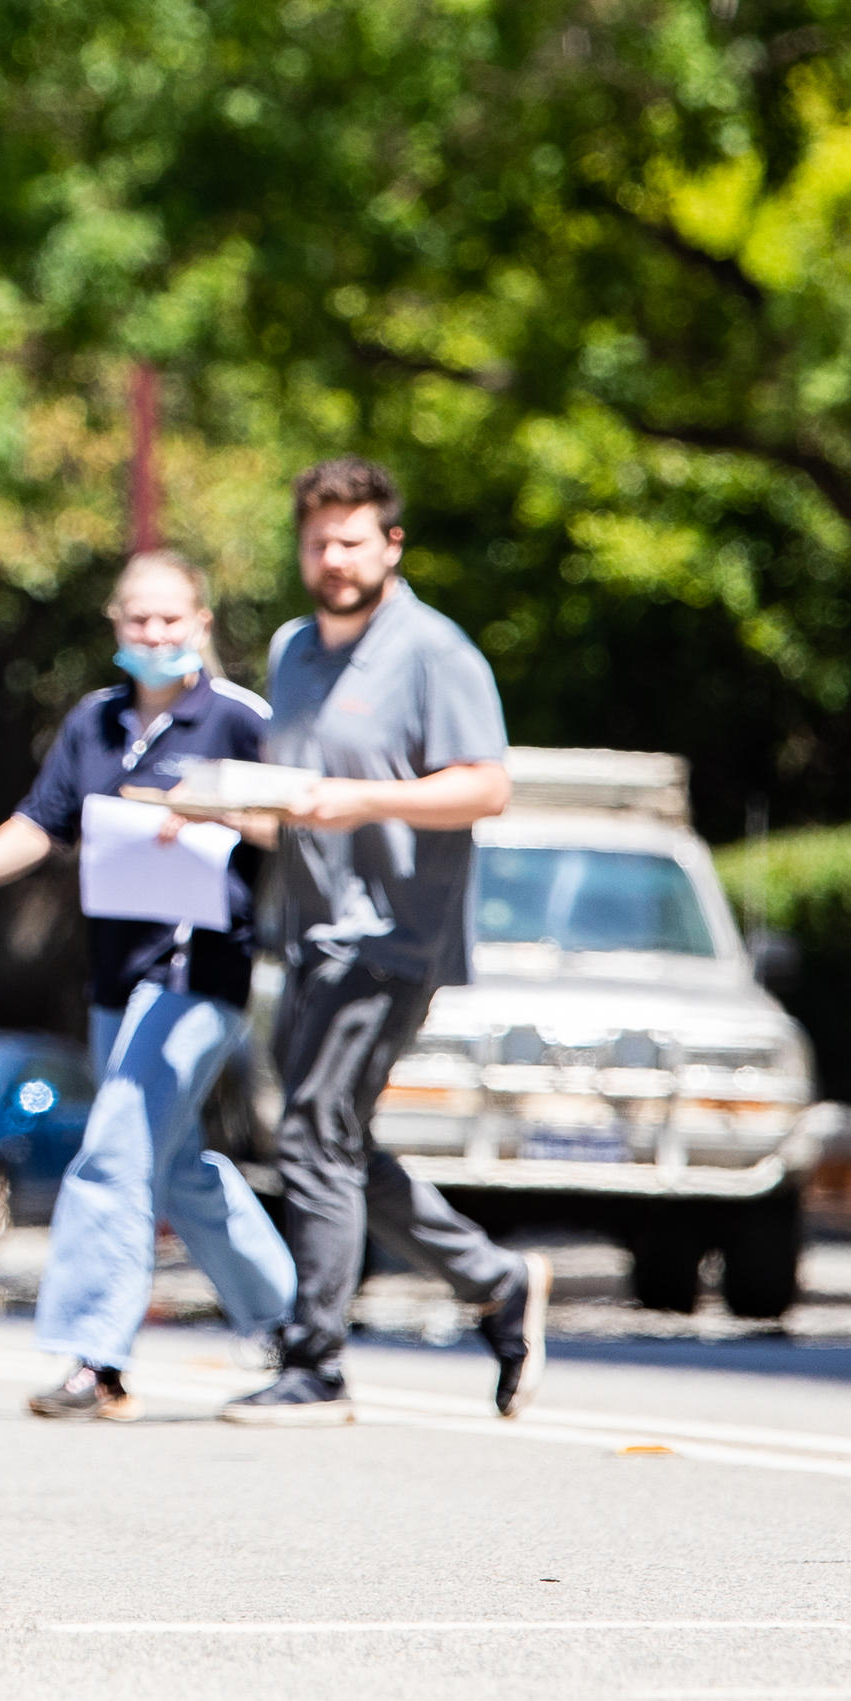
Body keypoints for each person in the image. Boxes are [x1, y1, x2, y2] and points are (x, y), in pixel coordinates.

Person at [0, 551, 293, 1420]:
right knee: (173, 1166)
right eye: (139, 621)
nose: (156, 634)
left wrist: (211, 812)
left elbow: (292, 820)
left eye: (171, 619)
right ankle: (296, 1321)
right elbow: (41, 821)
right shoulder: (95, 721)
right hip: (117, 977)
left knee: (116, 1147)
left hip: (202, 975)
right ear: (117, 627)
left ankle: (97, 1357)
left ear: (202, 622)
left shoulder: (239, 719)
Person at [221, 461, 543, 1426]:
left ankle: (316, 1364)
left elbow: (486, 785)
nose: (334, 559)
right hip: (309, 935)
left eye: (353, 540)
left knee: (314, 1129)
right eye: (319, 542)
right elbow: (298, 798)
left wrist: (369, 799)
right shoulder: (291, 652)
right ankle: (494, 1279)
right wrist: (217, 810)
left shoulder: (435, 652)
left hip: (397, 936)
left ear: (390, 545)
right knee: (335, 1137)